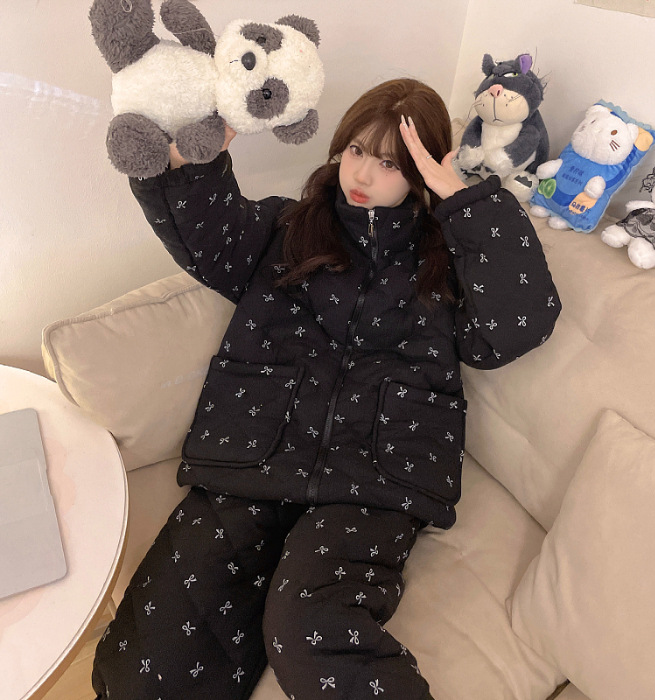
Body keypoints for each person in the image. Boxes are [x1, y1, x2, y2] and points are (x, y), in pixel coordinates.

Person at [92, 78, 561, 700]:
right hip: (254, 455)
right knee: (156, 649)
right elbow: (209, 242)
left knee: (307, 625)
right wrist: (190, 166)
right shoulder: (286, 229)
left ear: (421, 174)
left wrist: (463, 201)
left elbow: (519, 323)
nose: (363, 173)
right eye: (357, 150)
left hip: (379, 474)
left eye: (390, 163)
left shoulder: (446, 259)